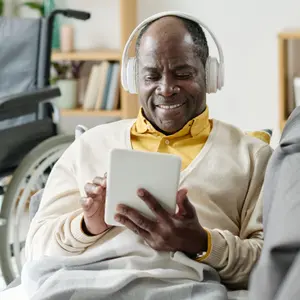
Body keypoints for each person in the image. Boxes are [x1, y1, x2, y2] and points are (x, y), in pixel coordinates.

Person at [6, 11, 272, 300]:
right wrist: (87, 225)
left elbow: (272, 262)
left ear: (210, 75)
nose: (166, 89)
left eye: (183, 74)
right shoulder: (89, 146)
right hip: (79, 285)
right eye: (152, 75)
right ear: (134, 79)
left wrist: (202, 242)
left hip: (184, 289)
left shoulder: (252, 156)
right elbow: (35, 250)